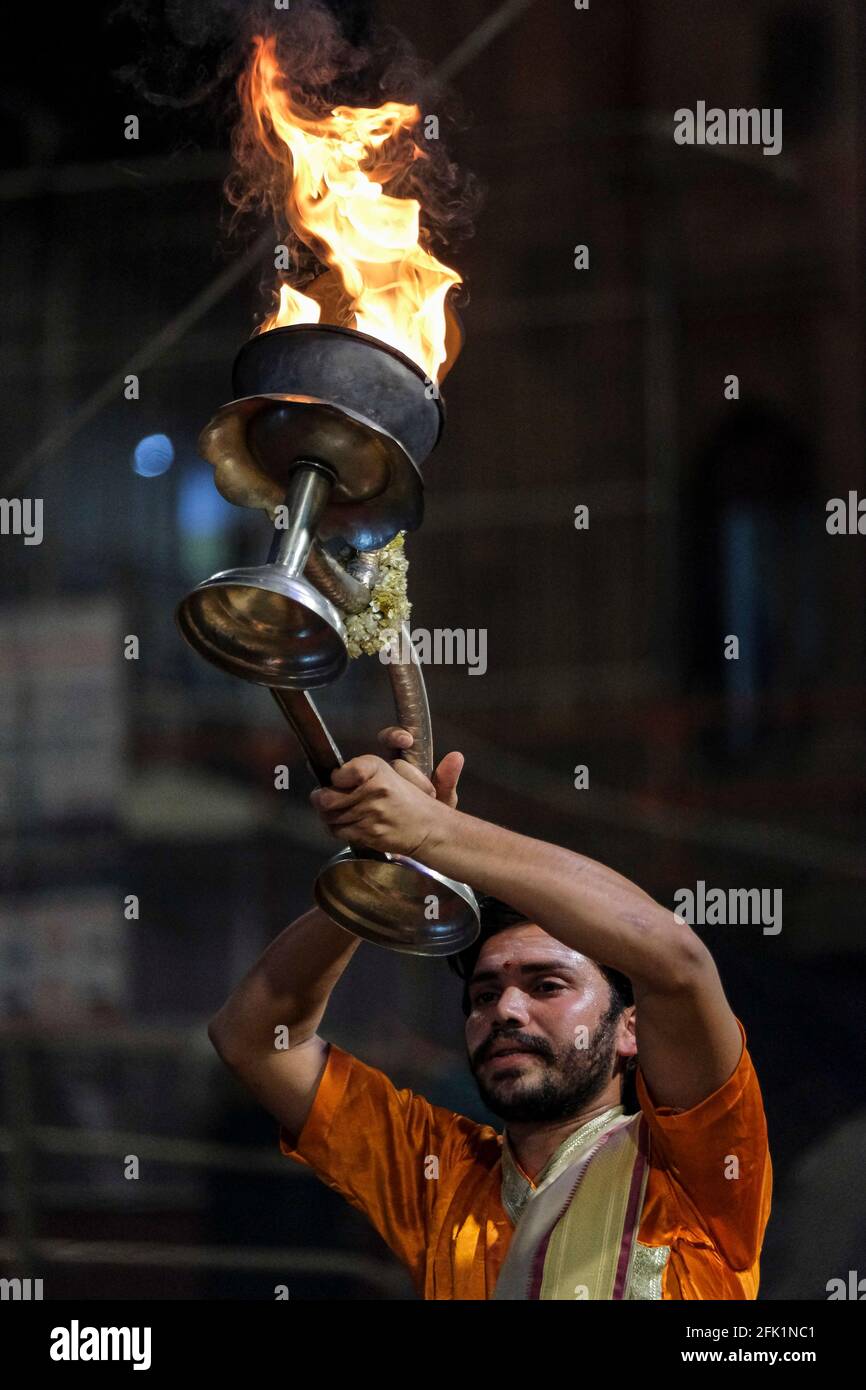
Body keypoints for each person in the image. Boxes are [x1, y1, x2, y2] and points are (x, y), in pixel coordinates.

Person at [208, 727, 772, 1300]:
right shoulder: (440, 1176)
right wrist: (380, 872)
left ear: (631, 1028)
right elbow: (254, 1039)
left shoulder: (692, 1166)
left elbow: (677, 960)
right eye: (483, 995)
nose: (505, 1009)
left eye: (546, 985)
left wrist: (435, 832)